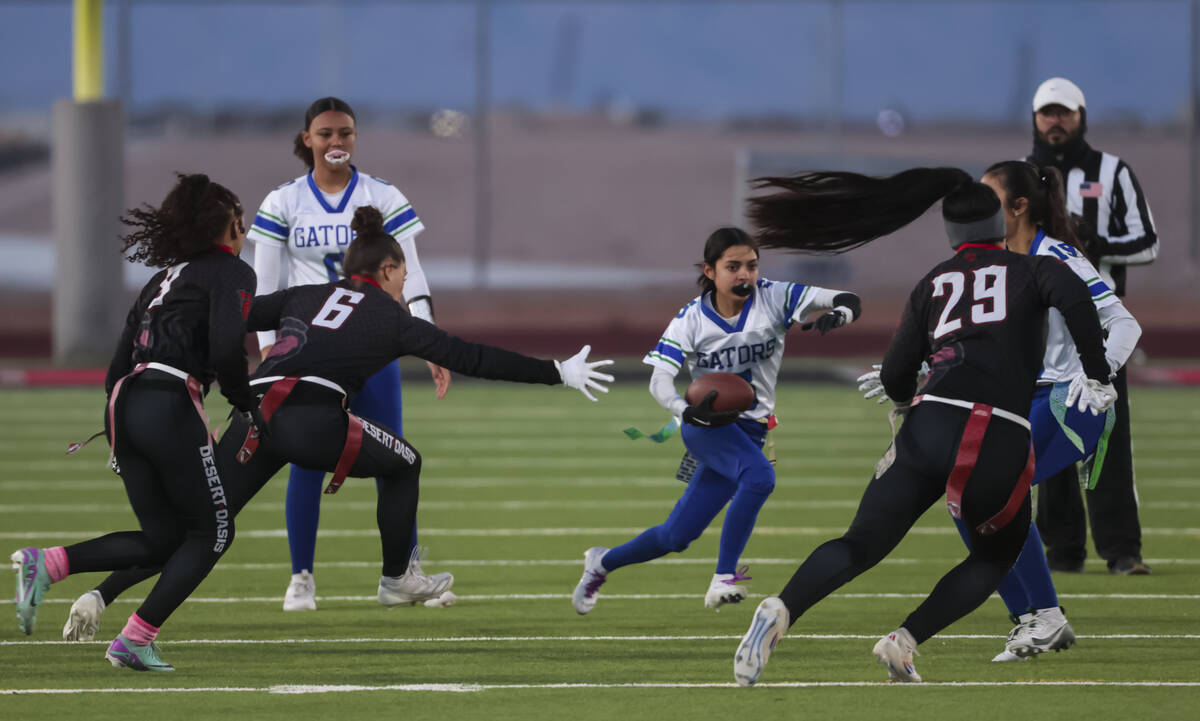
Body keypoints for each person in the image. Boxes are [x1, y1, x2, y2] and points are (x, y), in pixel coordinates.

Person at [18, 206, 615, 669]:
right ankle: (395, 579)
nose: (406, 282)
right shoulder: (389, 315)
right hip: (307, 416)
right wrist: (555, 371)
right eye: (403, 271)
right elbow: (470, 355)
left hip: (253, 412)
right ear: (385, 271)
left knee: (199, 526)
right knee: (404, 463)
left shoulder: (306, 295)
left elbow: (230, 313)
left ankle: (103, 597)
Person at [729, 167, 1115, 686]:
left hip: (927, 423)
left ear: (951, 235)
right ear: (1001, 221)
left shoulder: (932, 281)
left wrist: (913, 391)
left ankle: (781, 608)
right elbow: (1075, 298)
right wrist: (1096, 372)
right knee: (996, 553)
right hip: (996, 430)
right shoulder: (1029, 269)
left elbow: (894, 374)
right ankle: (903, 642)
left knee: (859, 543)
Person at [859, 160, 1141, 662]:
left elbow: (1124, 323)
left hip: (1068, 399)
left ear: (1018, 207)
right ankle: (1037, 617)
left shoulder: (1056, 256)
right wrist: (912, 374)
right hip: (1013, 404)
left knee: (989, 492)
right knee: (968, 498)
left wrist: (1098, 374)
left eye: (988, 196)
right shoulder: (993, 265)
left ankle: (1044, 617)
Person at [11, 173, 261, 670]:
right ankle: (134, 639)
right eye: (240, 217)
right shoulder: (232, 271)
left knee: (163, 537)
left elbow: (118, 361)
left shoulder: (162, 277)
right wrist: (242, 400)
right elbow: (228, 345)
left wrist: (126, 423)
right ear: (230, 223)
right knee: (214, 532)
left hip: (126, 401)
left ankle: (51, 563)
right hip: (167, 401)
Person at [571, 227, 861, 615]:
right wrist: (683, 410)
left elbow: (847, 298)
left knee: (676, 536)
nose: (745, 275)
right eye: (733, 266)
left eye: (752, 266)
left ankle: (602, 562)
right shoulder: (690, 319)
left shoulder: (775, 296)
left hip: (752, 429)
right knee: (759, 478)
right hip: (706, 426)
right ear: (710, 271)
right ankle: (725, 576)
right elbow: (659, 379)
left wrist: (839, 313)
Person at [1027, 78, 1158, 576]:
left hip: (1100, 325)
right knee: (1047, 431)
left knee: (1107, 435)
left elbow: (1148, 243)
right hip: (1041, 327)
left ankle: (1122, 550)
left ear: (1081, 115)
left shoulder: (1112, 171)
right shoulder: (1023, 175)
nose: (1055, 121)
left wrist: (1092, 245)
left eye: (1064, 112)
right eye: (1047, 113)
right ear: (1035, 118)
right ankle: (1061, 550)